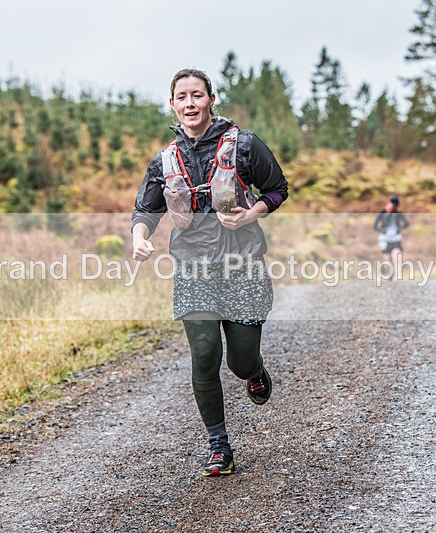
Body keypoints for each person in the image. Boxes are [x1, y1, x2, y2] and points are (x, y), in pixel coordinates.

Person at [131, 68, 289, 477]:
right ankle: (219, 446)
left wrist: (252, 212)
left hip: (243, 266)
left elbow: (277, 189)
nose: (189, 103)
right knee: (203, 356)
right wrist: (139, 237)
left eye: (196, 95)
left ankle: (253, 370)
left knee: (238, 361)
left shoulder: (245, 145)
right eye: (181, 97)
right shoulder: (165, 160)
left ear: (210, 99)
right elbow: (146, 209)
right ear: (172, 104)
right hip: (193, 268)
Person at [373, 195, 410, 279]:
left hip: (396, 239)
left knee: (397, 256)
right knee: (387, 259)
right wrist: (382, 230)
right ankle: (390, 275)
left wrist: (399, 228)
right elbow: (375, 226)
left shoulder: (398, 214)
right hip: (384, 239)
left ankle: (398, 276)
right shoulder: (382, 213)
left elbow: (406, 223)